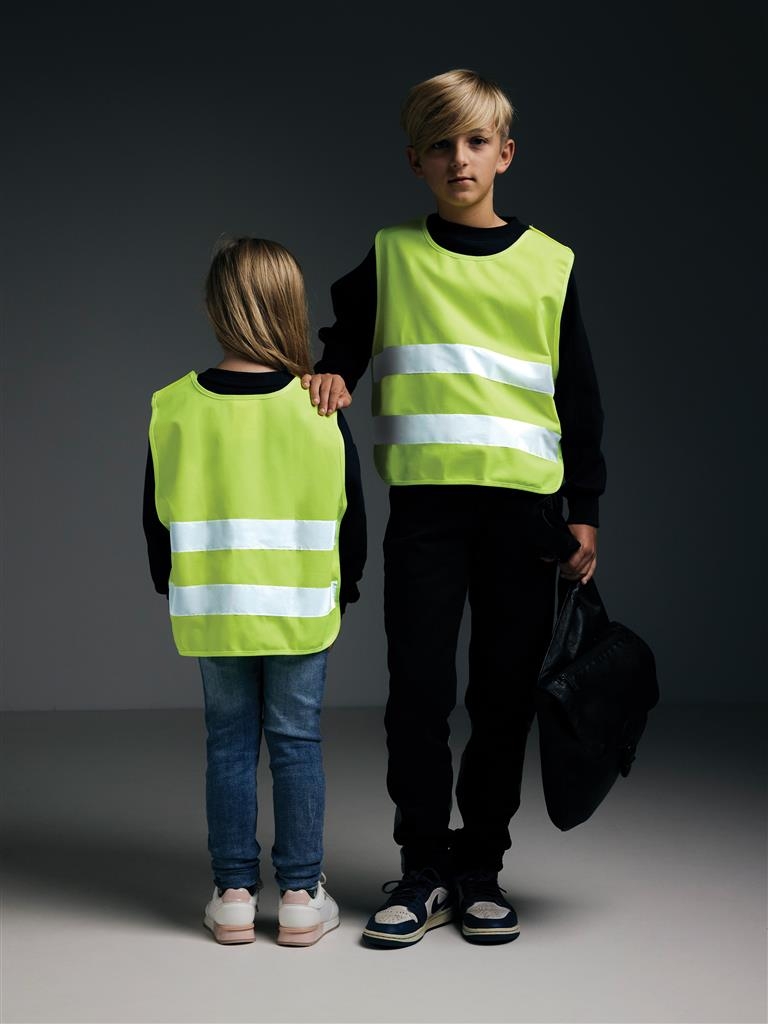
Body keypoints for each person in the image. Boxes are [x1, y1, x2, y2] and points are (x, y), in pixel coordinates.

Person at [302, 69, 606, 948]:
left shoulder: (550, 263)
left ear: (505, 154)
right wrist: (333, 371)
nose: (459, 157)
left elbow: (578, 397)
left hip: (527, 518)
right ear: (416, 161)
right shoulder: (393, 253)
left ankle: (480, 870)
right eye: (441, 143)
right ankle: (423, 867)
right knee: (419, 695)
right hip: (427, 515)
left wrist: (583, 507)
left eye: (476, 141)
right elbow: (347, 335)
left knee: (503, 695)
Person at [143, 237, 366, 946]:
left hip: (214, 608)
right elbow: (349, 509)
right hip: (302, 608)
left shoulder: (175, 405)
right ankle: (301, 895)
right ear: (286, 307)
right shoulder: (319, 402)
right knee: (297, 742)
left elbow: (156, 514)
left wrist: (168, 582)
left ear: (216, 308)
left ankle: (234, 893)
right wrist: (347, 586)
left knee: (229, 744)